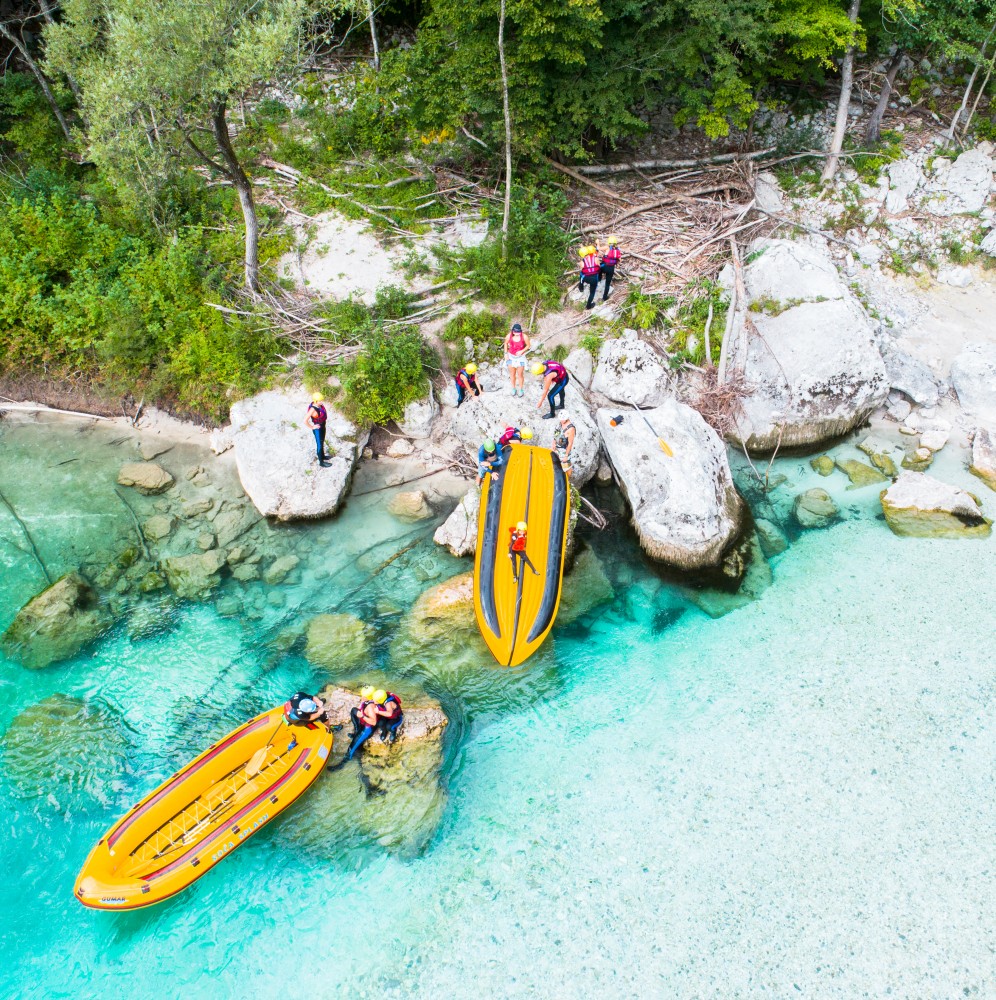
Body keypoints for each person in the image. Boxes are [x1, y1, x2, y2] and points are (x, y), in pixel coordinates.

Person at [504, 322, 531, 397]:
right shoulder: (509, 336)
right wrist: (506, 354)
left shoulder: (524, 337)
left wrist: (522, 351)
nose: (516, 334)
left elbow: (528, 345)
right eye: (515, 332)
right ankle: (513, 388)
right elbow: (505, 343)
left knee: (520, 374)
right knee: (512, 374)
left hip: (520, 358)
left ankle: (521, 389)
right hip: (511, 357)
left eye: (518, 332)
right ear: (512, 331)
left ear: (520, 331)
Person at [305, 394, 330, 467]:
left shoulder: (319, 405)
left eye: (322, 400)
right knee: (319, 445)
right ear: (315, 401)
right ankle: (321, 462)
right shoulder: (312, 409)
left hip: (322, 426)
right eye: (320, 401)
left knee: (322, 442)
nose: (322, 402)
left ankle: (323, 456)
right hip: (318, 429)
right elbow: (305, 420)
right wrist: (312, 427)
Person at [554, 411, 576, 479]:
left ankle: (568, 479)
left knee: (566, 466)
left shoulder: (571, 429)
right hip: (558, 447)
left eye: (562, 419)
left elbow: (570, 443)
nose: (561, 420)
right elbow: (556, 433)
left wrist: (566, 455)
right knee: (556, 462)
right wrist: (554, 443)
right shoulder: (560, 423)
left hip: (564, 450)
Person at [598, 236, 621, 301]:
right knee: (607, 283)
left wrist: (597, 243)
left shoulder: (607, 247)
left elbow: (598, 248)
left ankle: (599, 279)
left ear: (609, 242)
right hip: (611, 268)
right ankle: (604, 297)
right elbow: (619, 259)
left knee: (599, 269)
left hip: (604, 266)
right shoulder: (617, 250)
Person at [578, 245, 601, 310]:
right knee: (592, 292)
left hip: (586, 278)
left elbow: (582, 270)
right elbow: (599, 267)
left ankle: (581, 286)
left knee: (581, 274)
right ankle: (588, 306)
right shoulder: (596, 258)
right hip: (594, 279)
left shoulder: (582, 262)